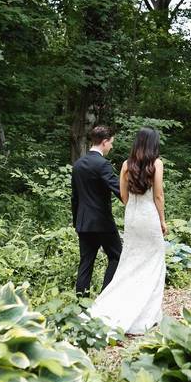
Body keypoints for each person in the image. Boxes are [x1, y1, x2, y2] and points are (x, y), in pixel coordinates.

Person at [89, 126, 167, 335]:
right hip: (149, 216)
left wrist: (134, 206)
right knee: (154, 261)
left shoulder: (126, 164)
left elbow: (123, 197)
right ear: (153, 143)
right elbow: (158, 196)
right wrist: (163, 220)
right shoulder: (156, 164)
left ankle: (114, 304)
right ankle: (145, 316)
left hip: (132, 216)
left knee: (130, 262)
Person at [71, 125, 124, 296]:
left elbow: (75, 198)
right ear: (104, 141)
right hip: (102, 222)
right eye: (111, 143)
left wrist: (76, 222)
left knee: (86, 262)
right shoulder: (102, 164)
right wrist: (135, 201)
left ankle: (81, 305)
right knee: (116, 256)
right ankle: (105, 298)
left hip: (83, 222)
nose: (111, 147)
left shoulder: (78, 164)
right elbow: (119, 190)